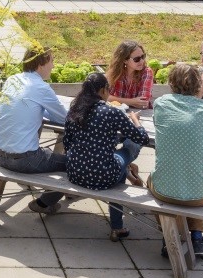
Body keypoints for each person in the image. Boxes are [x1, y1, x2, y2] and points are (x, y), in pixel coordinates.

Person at [147, 63, 203, 257]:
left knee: (161, 178)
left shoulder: (161, 104)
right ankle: (196, 236)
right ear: (198, 84)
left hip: (164, 191)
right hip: (199, 195)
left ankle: (169, 236)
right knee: (198, 178)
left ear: (170, 83)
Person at [63, 73, 149, 240]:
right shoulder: (111, 112)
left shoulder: (74, 109)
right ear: (103, 90)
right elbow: (142, 138)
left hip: (75, 173)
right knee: (130, 145)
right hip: (103, 177)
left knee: (117, 166)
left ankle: (118, 226)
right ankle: (117, 226)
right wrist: (135, 120)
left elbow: (67, 143)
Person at [0, 45, 67, 214]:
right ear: (41, 63)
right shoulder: (41, 88)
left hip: (0, 155)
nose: (54, 66)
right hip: (25, 160)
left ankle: (52, 199)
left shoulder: (12, 80)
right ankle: (44, 203)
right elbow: (64, 119)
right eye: (52, 61)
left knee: (50, 155)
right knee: (77, 164)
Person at [106, 39, 154, 109]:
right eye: (137, 59)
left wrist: (118, 100)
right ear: (125, 60)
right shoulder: (116, 72)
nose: (142, 61)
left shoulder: (146, 72)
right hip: (121, 113)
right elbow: (105, 96)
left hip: (143, 115)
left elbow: (143, 103)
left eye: (143, 57)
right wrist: (132, 102)